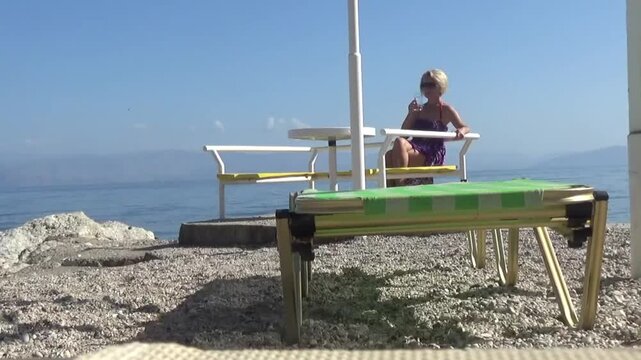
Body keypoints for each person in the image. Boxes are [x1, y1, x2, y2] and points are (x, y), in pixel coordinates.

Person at [385, 68, 471, 186]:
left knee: (396, 147)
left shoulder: (445, 110)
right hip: (416, 146)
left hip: (432, 151)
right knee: (390, 154)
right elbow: (404, 134)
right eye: (423, 85)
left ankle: (400, 186)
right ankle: (391, 189)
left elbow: (465, 127)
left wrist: (460, 131)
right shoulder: (420, 109)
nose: (426, 89)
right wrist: (411, 114)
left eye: (430, 85)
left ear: (440, 86)